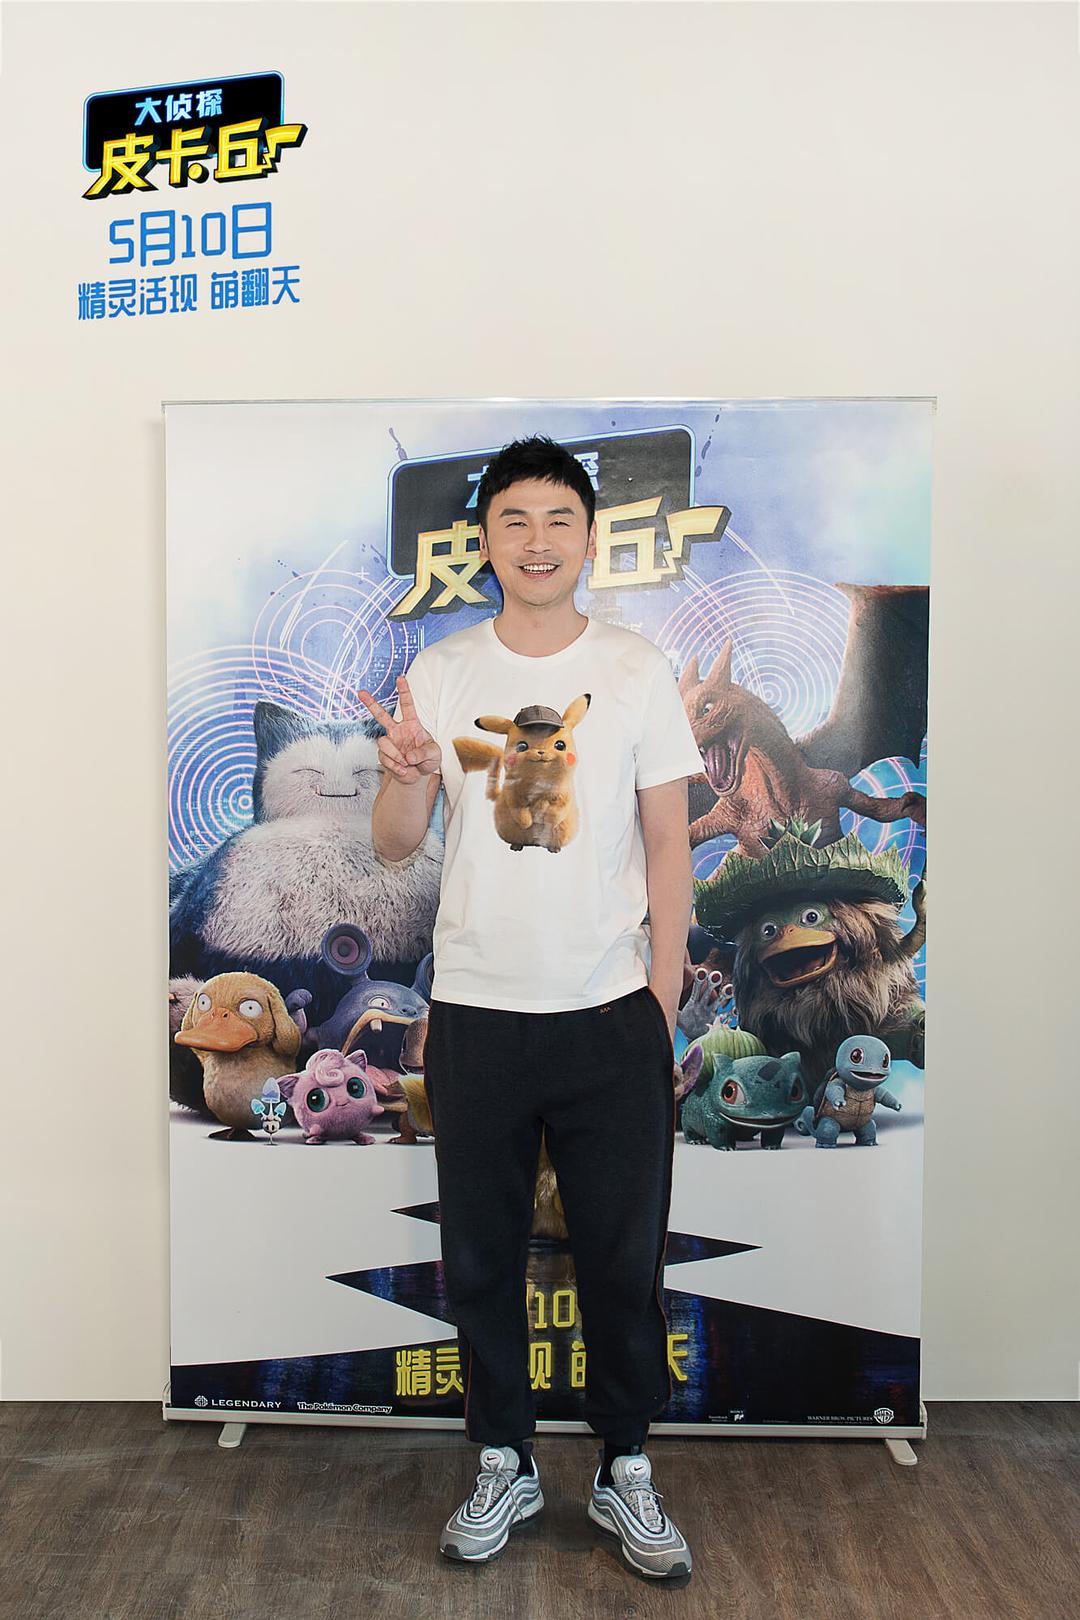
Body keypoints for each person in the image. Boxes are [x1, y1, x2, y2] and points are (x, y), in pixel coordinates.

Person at [359, 435, 701, 1582]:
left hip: (609, 1012)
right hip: (477, 1011)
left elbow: (667, 841)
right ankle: (502, 1456)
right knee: (482, 1253)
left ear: (591, 538)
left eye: (559, 520)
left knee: (620, 1257)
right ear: (485, 541)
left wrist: (660, 996)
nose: (537, 541)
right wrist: (406, 773)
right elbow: (395, 846)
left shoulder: (637, 668)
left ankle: (623, 1463)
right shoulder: (443, 672)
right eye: (515, 521)